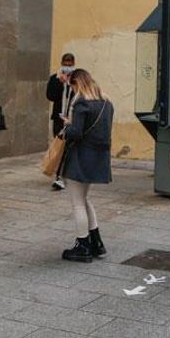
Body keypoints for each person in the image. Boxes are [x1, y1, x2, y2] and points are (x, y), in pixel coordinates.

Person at [59, 69, 114, 262]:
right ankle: (96, 242)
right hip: (99, 157)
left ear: (76, 84)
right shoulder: (107, 101)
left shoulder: (82, 102)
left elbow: (76, 133)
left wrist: (67, 125)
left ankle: (82, 245)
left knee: (77, 203)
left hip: (81, 157)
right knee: (84, 198)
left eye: (72, 86)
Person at [46, 53, 76, 191]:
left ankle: (63, 176)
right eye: (66, 64)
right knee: (59, 146)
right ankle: (59, 175)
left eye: (70, 65)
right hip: (58, 118)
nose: (68, 67)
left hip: (72, 118)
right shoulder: (55, 78)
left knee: (69, 147)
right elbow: (50, 96)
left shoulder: (77, 79)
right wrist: (60, 81)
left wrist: (70, 81)